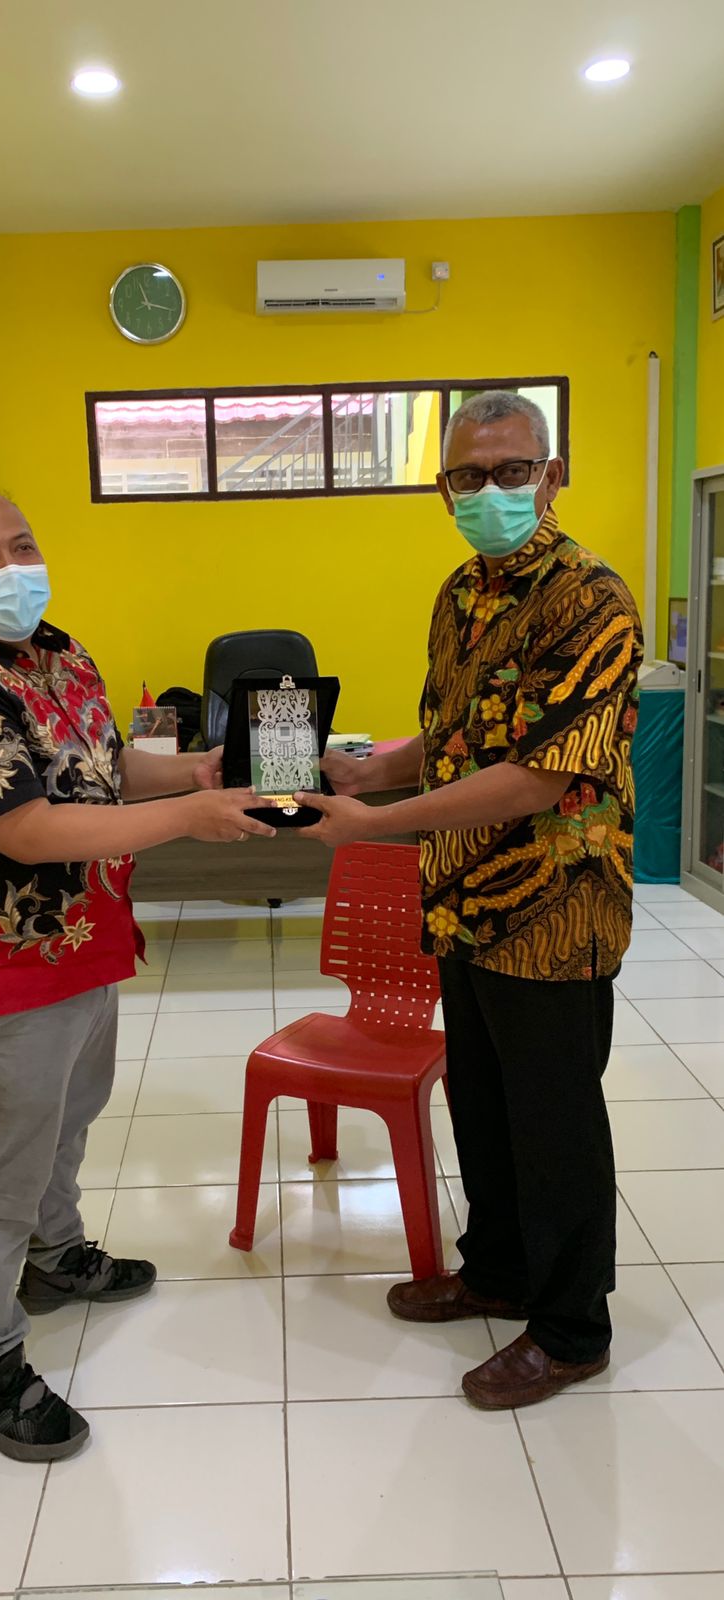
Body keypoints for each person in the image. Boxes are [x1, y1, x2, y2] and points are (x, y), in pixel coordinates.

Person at [0, 488, 275, 1461]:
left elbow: (103, 769)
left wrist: (195, 773)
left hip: (79, 943)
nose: (11, 567)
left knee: (66, 1122)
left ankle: (54, 1256)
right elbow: (28, 827)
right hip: (0, 968)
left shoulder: (59, 655)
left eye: (22, 544)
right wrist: (190, 820)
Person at [304, 391, 642, 1409]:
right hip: (462, 900)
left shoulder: (591, 599)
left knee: (554, 1120)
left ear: (551, 474)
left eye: (511, 470)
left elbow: (541, 775)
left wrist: (375, 823)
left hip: (554, 906)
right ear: (443, 489)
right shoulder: (460, 593)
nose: (489, 490)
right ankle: (496, 1270)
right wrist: (371, 769)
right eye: (467, 475)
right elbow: (460, 736)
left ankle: (572, 1329)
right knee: (483, 1103)